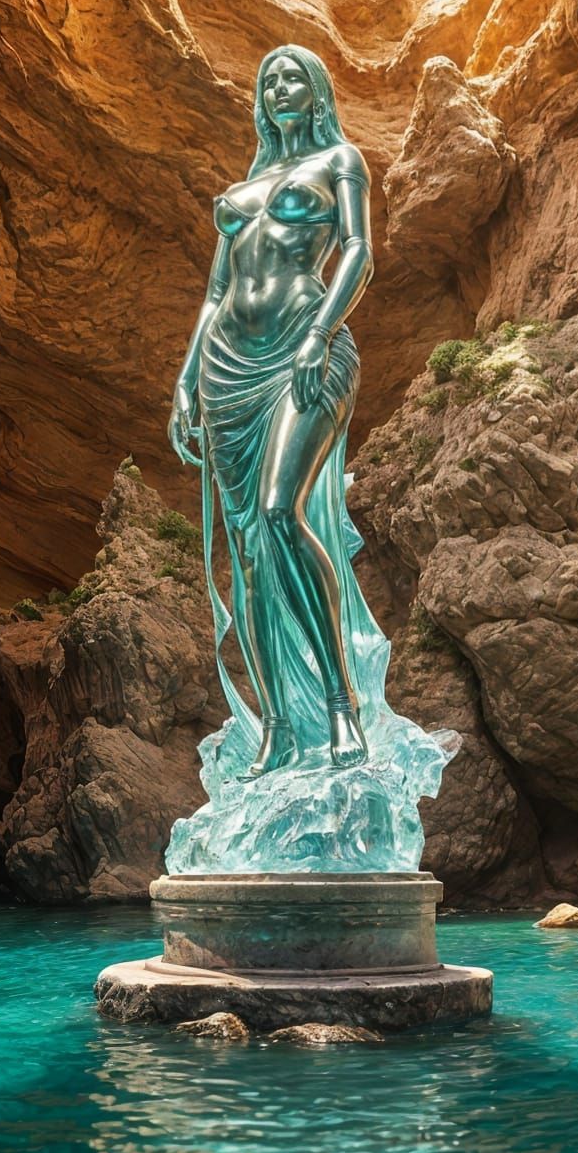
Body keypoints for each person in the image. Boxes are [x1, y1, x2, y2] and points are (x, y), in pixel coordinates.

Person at [168, 44, 381, 779]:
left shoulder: (340, 162)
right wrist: (188, 375)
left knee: (278, 512)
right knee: (249, 558)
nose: (280, 87)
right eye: (269, 80)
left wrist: (321, 334)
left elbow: (359, 252)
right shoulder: (245, 184)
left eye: (294, 76)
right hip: (226, 366)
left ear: (316, 90)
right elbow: (213, 290)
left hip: (304, 347)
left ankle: (341, 709)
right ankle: (277, 731)